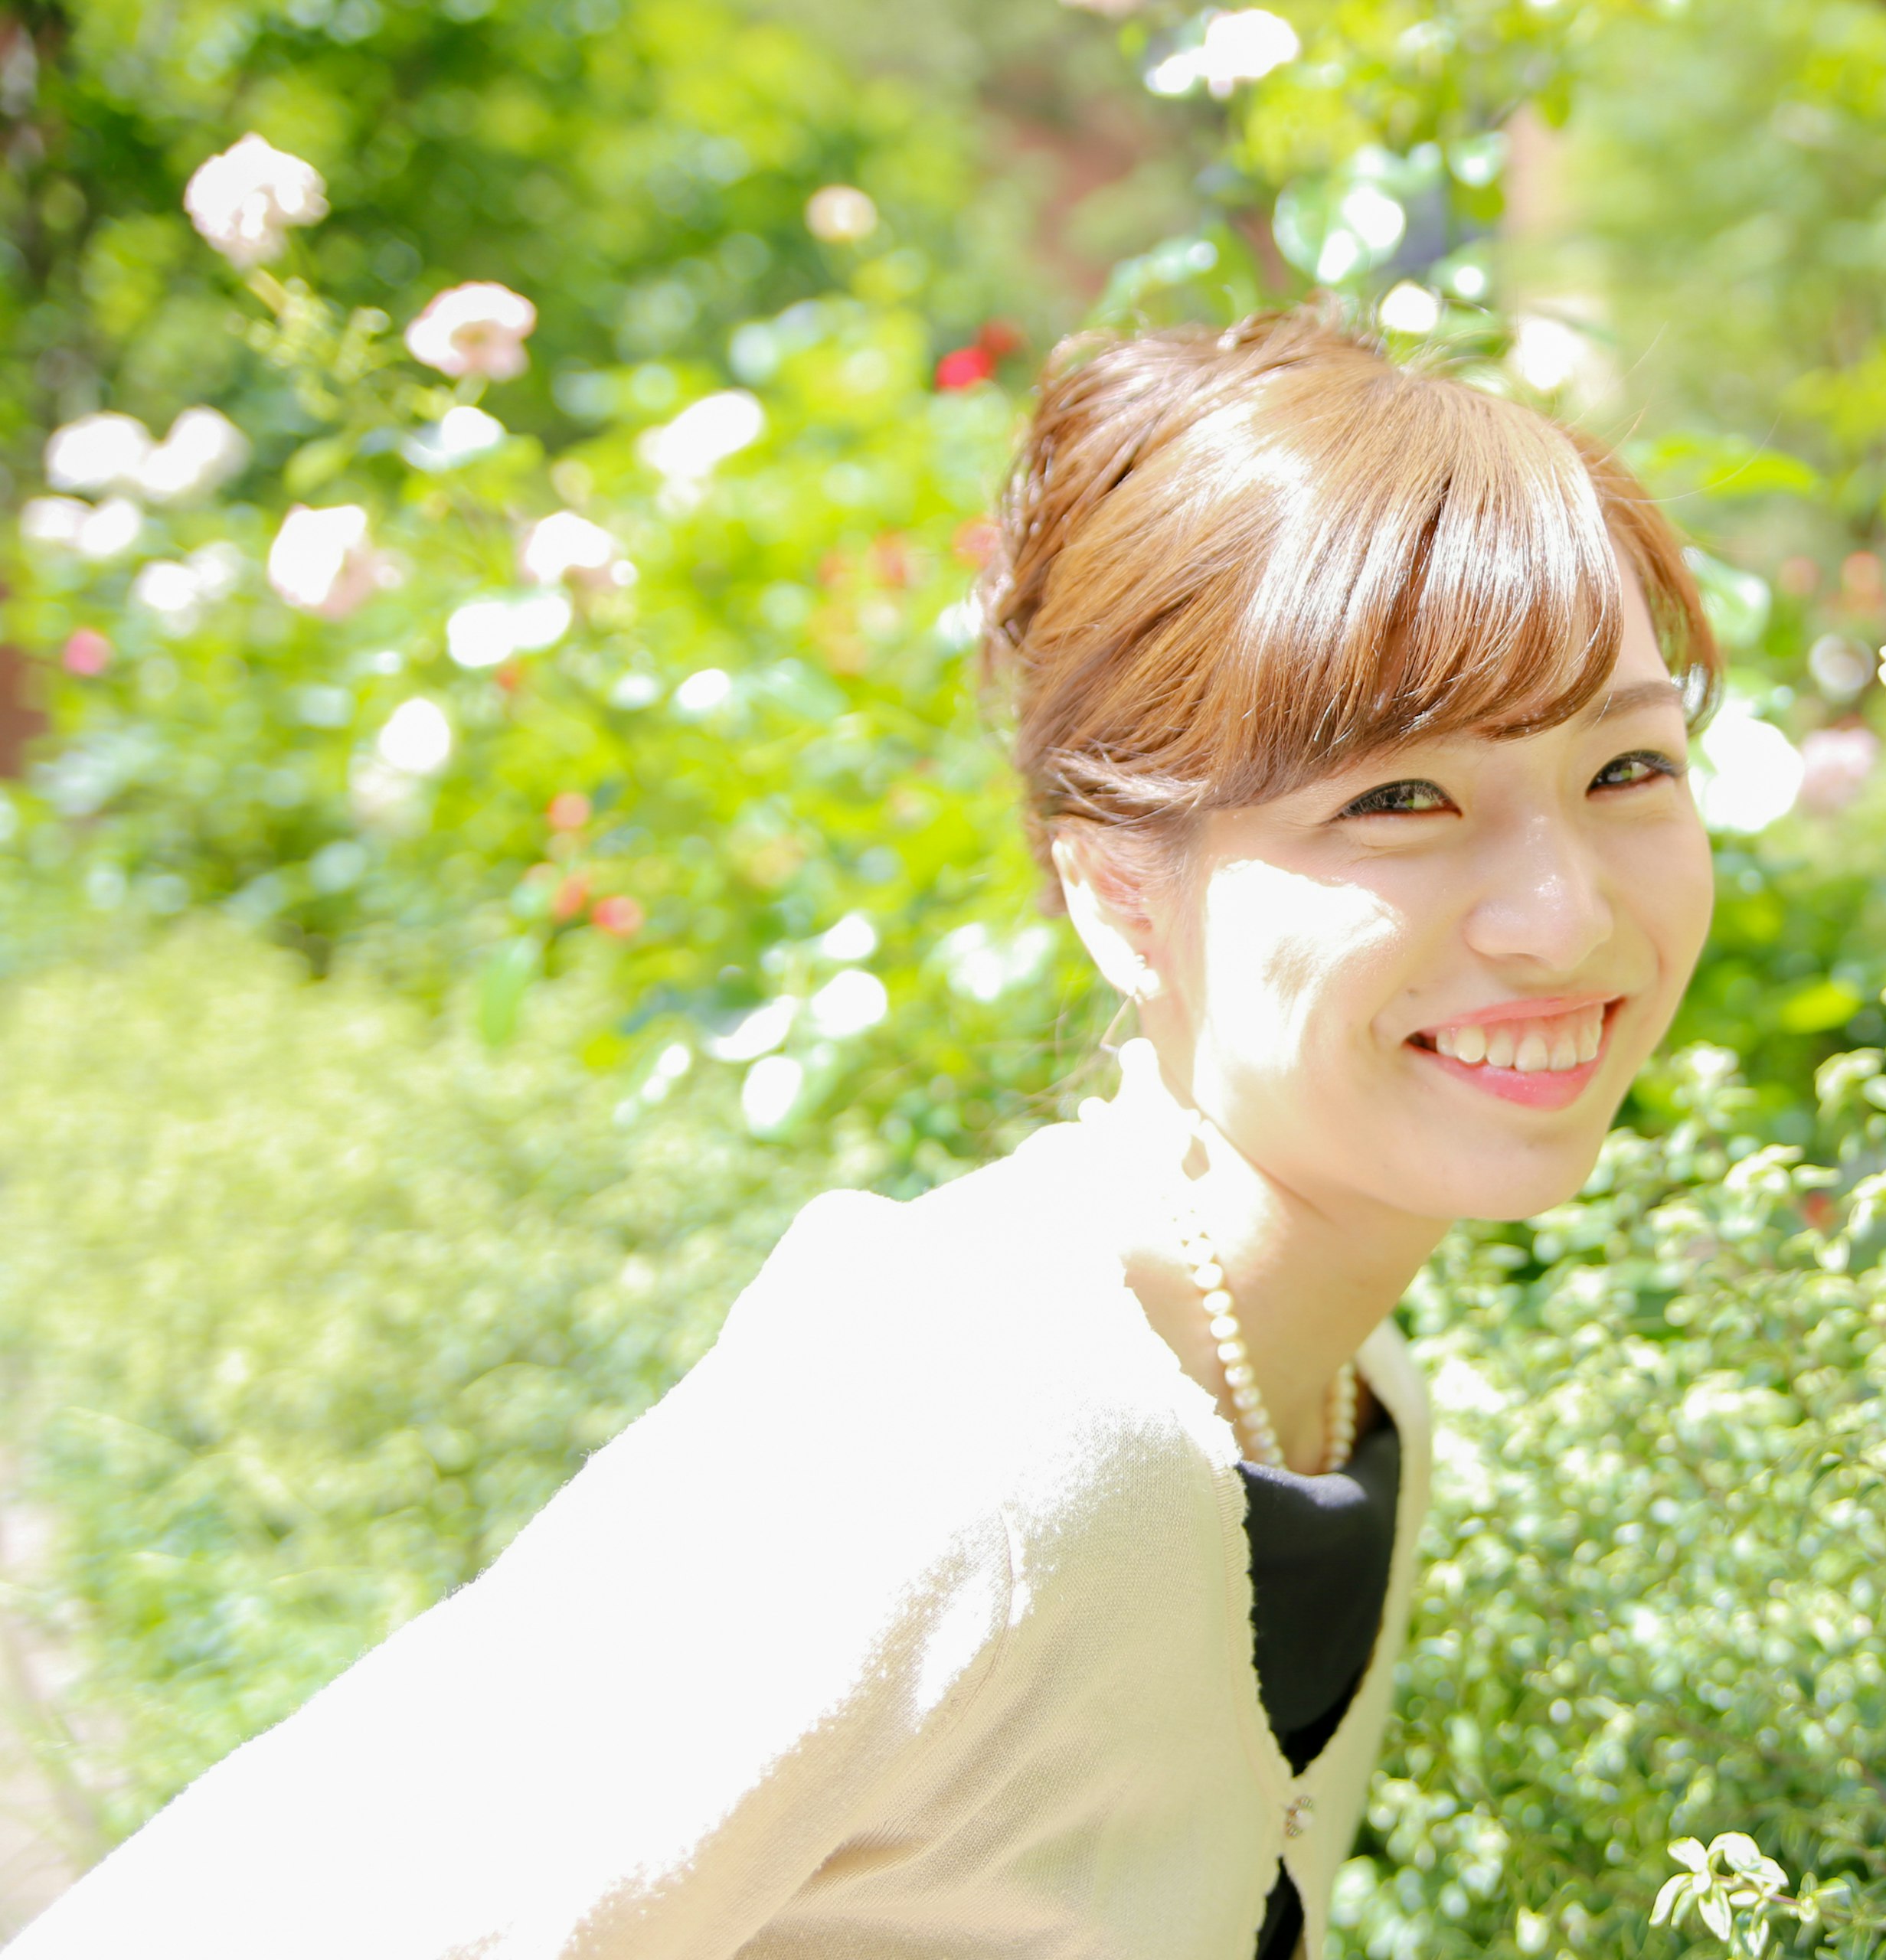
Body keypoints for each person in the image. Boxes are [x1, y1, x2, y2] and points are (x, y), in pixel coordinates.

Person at [6, 306, 1718, 1958]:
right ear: (1125, 892)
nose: (1560, 917)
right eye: (1399, 799)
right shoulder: (979, 1423)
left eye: (1627, 770)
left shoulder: (1341, 1402)